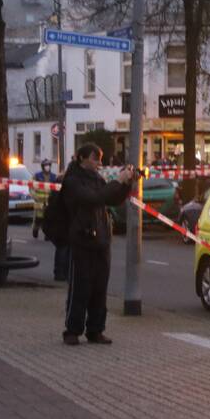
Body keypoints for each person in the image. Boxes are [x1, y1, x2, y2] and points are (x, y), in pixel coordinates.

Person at [61, 144, 135, 346]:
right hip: (82, 240)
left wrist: (126, 184)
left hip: (101, 239)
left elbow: (112, 199)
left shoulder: (96, 178)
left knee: (99, 287)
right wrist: (116, 181)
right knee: (80, 287)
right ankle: (72, 330)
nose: (99, 163)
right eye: (95, 159)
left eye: (100, 159)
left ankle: (95, 330)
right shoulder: (73, 181)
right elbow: (94, 198)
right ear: (82, 158)